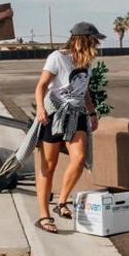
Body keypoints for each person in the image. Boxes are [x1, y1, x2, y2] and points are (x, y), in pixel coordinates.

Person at [32, 22, 105, 234]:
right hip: (55, 114)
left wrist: (91, 113)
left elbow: (84, 90)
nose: (97, 44)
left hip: (78, 113)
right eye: (94, 40)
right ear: (84, 40)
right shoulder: (57, 57)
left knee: (79, 158)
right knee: (49, 165)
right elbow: (41, 86)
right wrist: (40, 109)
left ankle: (61, 201)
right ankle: (44, 215)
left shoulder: (86, 62)